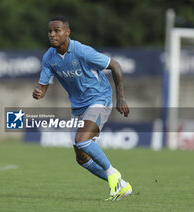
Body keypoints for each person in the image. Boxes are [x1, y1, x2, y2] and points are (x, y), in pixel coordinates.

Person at [32, 16, 132, 201]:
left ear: (67, 33)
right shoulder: (49, 57)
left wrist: (121, 98)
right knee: (82, 158)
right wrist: (39, 91)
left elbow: (115, 65)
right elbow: (43, 84)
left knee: (82, 140)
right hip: (78, 106)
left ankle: (113, 174)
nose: (52, 35)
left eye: (57, 30)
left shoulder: (82, 51)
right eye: (49, 31)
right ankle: (123, 185)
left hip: (99, 98)